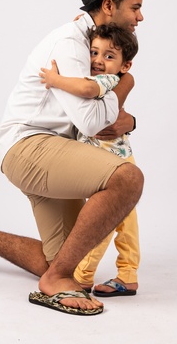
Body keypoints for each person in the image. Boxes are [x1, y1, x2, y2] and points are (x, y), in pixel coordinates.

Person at [0, 0, 147, 316]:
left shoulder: (92, 43)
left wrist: (128, 115)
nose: (140, 16)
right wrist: (126, 84)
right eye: (135, 7)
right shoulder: (71, 44)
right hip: (29, 146)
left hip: (50, 148)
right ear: (109, 6)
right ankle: (53, 284)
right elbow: (93, 123)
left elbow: (100, 117)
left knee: (63, 259)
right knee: (128, 178)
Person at [39, 23, 140, 297]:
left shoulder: (106, 80)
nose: (97, 60)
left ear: (124, 65)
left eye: (109, 56)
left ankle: (82, 276)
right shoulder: (111, 78)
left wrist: (55, 80)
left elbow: (85, 90)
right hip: (121, 158)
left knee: (102, 222)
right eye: (94, 52)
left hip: (110, 164)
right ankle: (128, 275)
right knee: (126, 223)